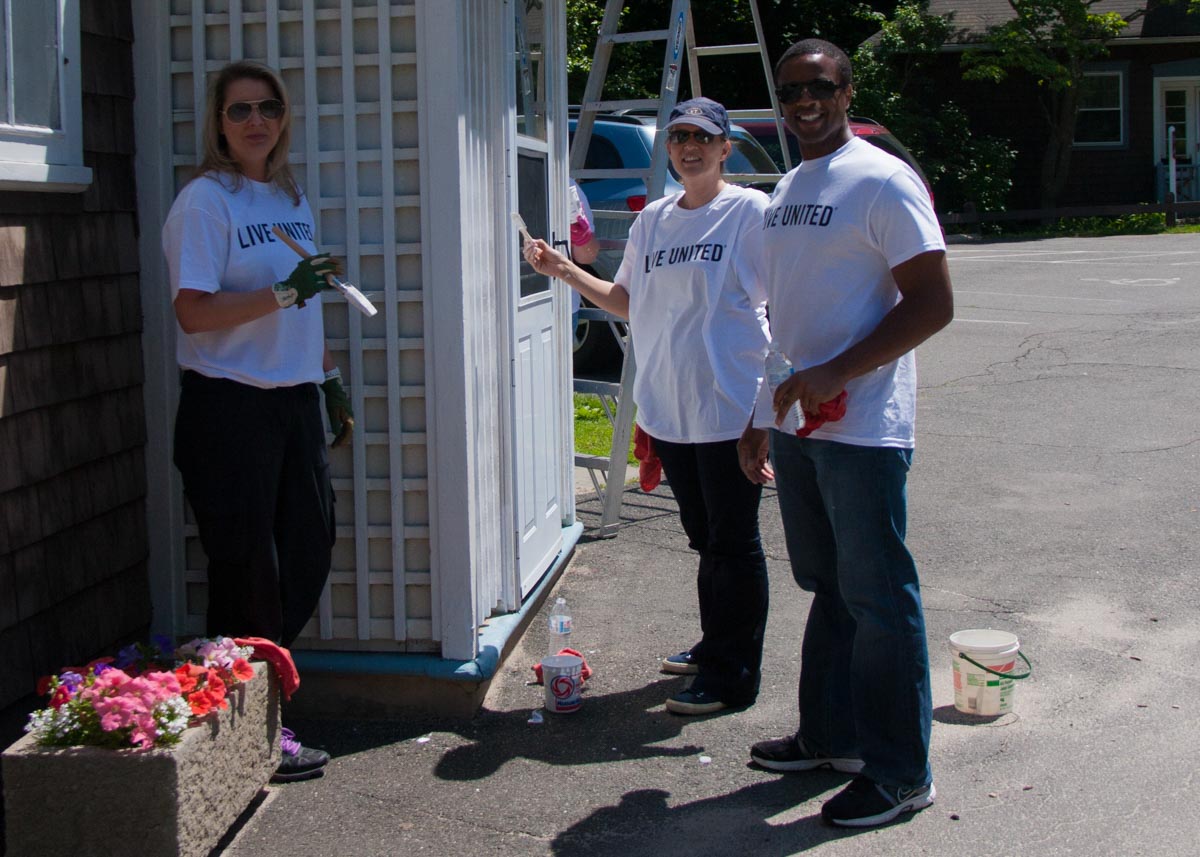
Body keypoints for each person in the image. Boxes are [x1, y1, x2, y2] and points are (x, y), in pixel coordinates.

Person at [739, 38, 954, 828]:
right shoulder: (791, 183)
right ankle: (833, 737)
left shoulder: (882, 178)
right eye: (793, 88)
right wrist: (763, 413)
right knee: (827, 587)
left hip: (865, 428)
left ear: (846, 90)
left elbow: (933, 302)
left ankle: (902, 772)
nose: (805, 102)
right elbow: (785, 312)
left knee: (879, 595)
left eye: (821, 87)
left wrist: (839, 373)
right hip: (799, 424)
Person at [525, 97, 771, 716]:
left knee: (733, 544)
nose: (689, 147)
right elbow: (628, 300)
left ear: (725, 149)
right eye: (679, 137)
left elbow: (784, 304)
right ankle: (717, 642)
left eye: (703, 138)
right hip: (670, 408)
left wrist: (767, 410)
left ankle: (733, 675)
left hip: (729, 405)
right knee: (703, 539)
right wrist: (563, 271)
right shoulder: (653, 221)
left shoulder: (749, 212)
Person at [162, 60, 351, 782]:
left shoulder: (286, 194)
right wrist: (282, 290)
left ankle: (235, 707)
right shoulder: (207, 201)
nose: (255, 121)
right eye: (239, 110)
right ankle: (256, 736)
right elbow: (193, 312)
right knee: (250, 574)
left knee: (307, 552)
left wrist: (329, 380)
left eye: (268, 108)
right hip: (229, 408)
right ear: (218, 122)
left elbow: (301, 304)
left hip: (293, 400)